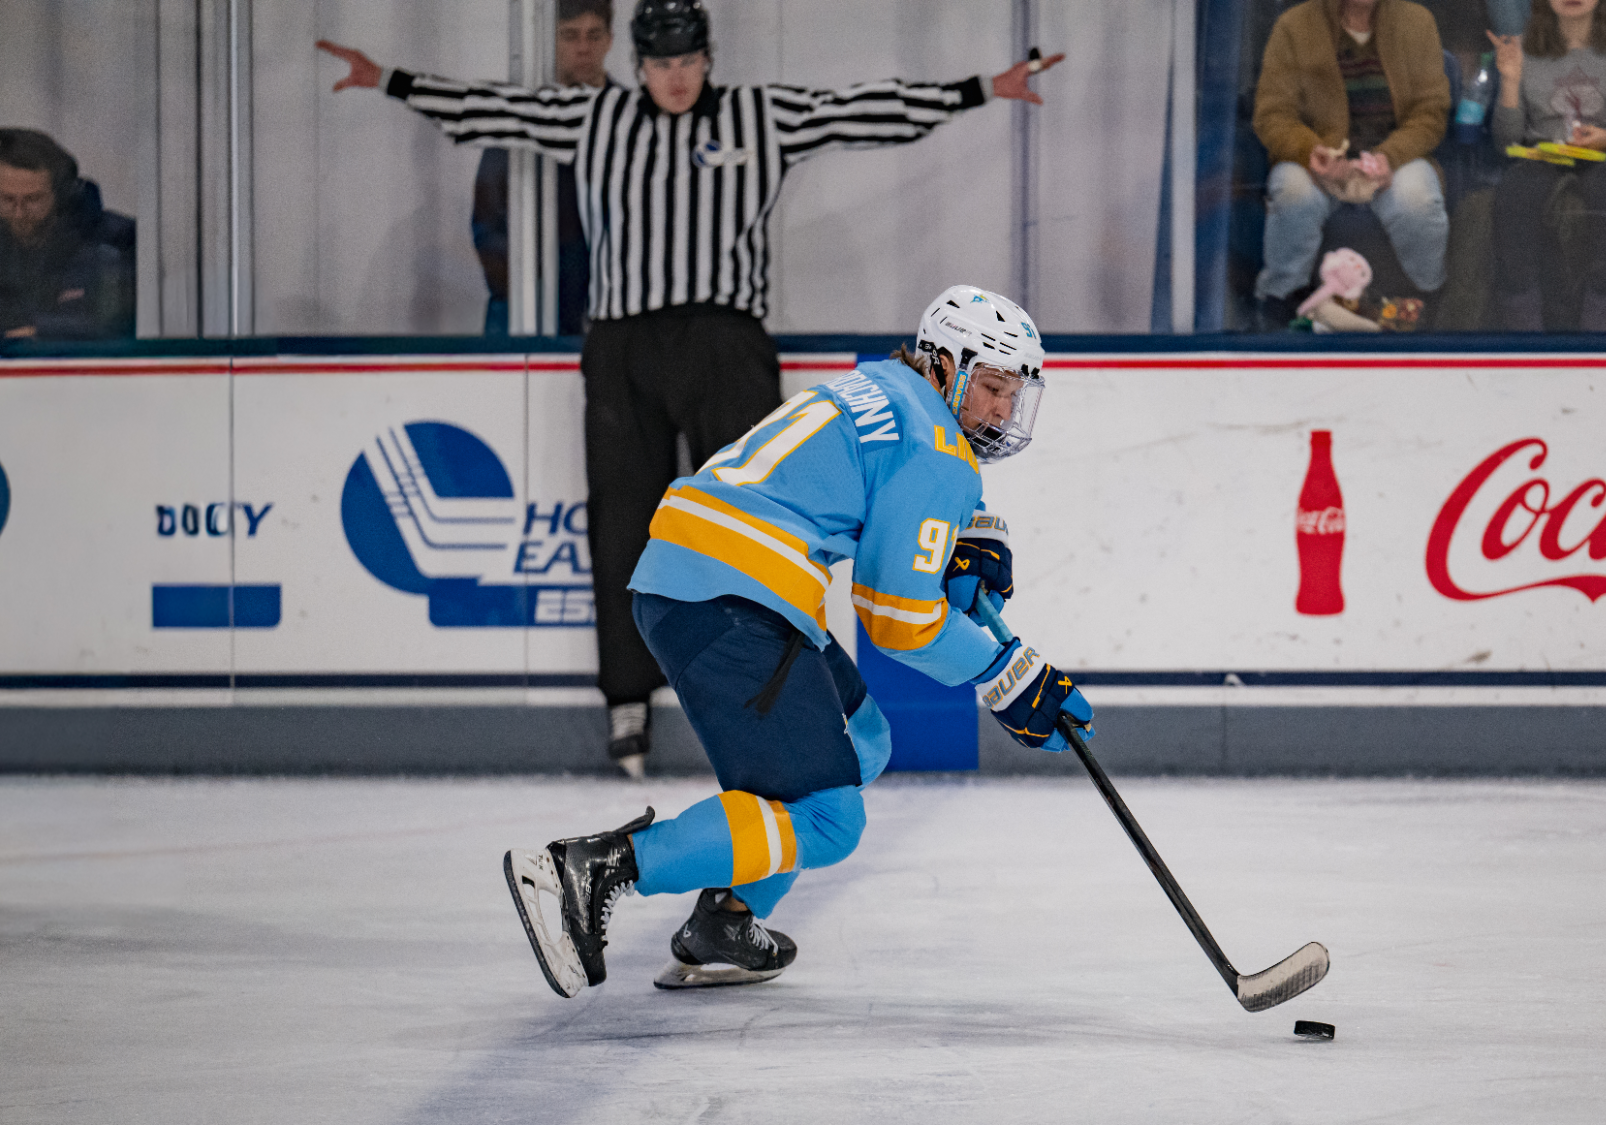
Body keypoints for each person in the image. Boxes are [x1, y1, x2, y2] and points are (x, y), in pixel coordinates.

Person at [316, 1, 1062, 777]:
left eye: (687, 62)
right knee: (622, 517)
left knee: (766, 527)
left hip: (724, 342)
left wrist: (983, 87)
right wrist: (391, 78)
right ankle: (626, 701)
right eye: (659, 65)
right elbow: (494, 111)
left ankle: (777, 697)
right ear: (636, 64)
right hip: (622, 344)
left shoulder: (758, 115)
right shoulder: (596, 119)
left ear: (707, 58)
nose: (675, 78)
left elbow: (863, 112)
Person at [502, 285, 1095, 997]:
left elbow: (878, 485)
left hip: (696, 576)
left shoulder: (883, 384)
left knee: (862, 735)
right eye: (992, 386)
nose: (1002, 409)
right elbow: (898, 619)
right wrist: (1006, 672)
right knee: (829, 818)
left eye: (1014, 393)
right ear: (943, 366)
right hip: (732, 598)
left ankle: (727, 917)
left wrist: (963, 533)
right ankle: (598, 866)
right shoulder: (939, 449)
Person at [1253, 0, 1453, 329]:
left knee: (1416, 200)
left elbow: (1431, 112)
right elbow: (1272, 114)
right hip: (1323, 162)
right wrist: (1310, 151)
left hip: (1394, 159)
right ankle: (1280, 303)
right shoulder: (1293, 26)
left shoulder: (1417, 23)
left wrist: (1389, 157)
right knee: (1292, 191)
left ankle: (1428, 297)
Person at [1487, 0, 1606, 330]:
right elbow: (1506, 143)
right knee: (1516, 190)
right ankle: (1523, 322)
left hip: (1605, 156)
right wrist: (1511, 80)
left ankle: (1601, 320)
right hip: (1541, 156)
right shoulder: (1521, 46)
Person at [471, 0, 616, 337]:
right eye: (570, 35)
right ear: (550, 39)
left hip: (608, 311)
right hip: (523, 305)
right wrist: (520, 285)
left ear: (609, 39)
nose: (583, 47)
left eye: (593, 35)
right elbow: (488, 220)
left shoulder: (629, 120)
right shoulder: (519, 117)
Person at [0, 128, 135, 341]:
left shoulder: (115, 241)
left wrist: (44, 332)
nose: (19, 213)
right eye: (7, 200)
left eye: (33, 200)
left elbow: (113, 326)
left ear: (61, 195)